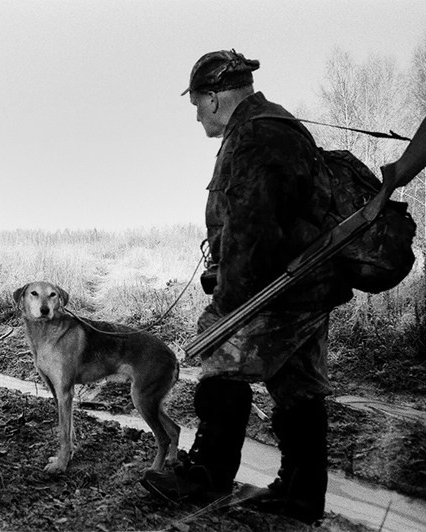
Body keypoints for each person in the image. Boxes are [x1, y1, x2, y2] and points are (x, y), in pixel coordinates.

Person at [140, 50, 352, 524]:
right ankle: (300, 496)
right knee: (297, 386)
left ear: (214, 98)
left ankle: (204, 478)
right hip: (301, 285)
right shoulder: (269, 128)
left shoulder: (257, 136)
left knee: (220, 371)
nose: (196, 115)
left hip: (275, 289)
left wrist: (226, 306)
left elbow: (252, 230)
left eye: (197, 104)